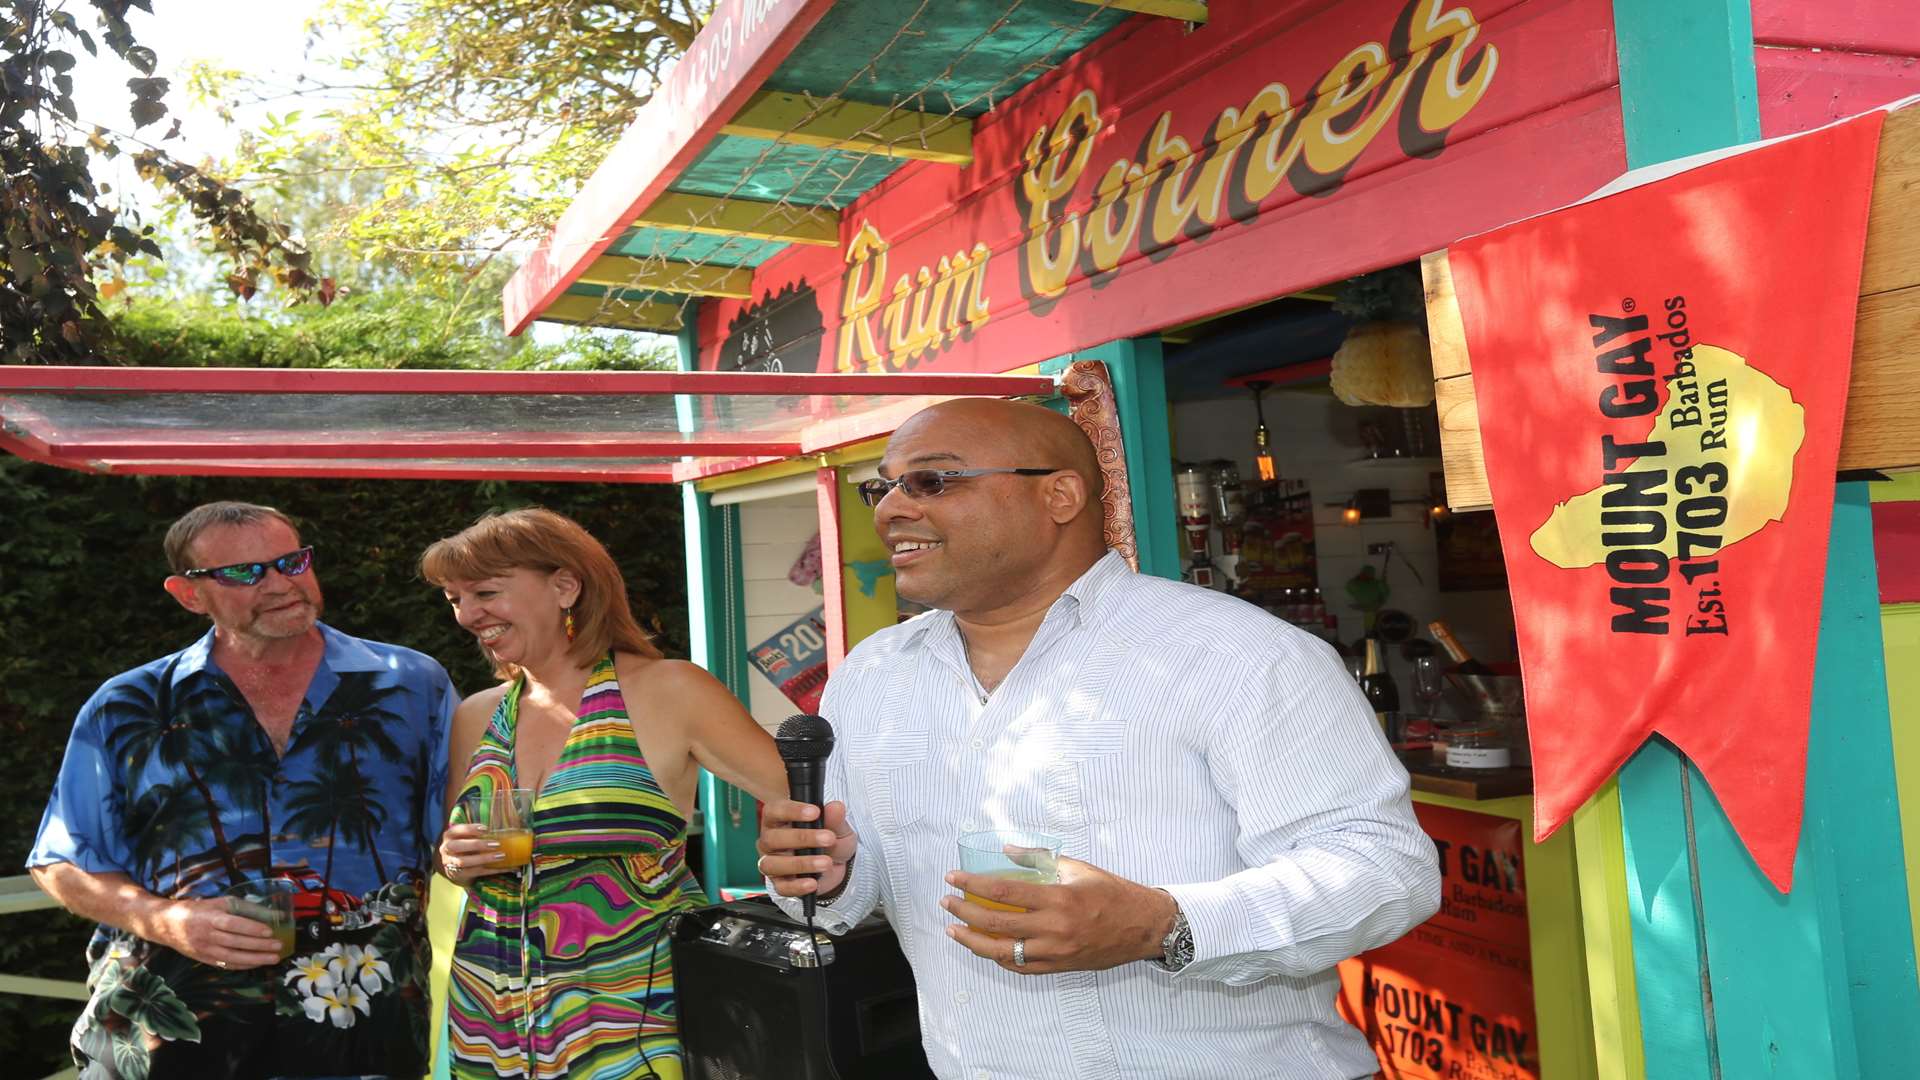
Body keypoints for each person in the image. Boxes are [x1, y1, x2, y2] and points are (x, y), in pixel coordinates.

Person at [757, 399, 1443, 1079]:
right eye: (884, 486)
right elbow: (864, 886)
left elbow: (1386, 872)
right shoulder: (873, 677)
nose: (889, 509)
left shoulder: (1238, 655)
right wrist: (828, 874)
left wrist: (1163, 925)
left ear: (1059, 495)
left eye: (932, 481)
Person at [27, 501, 457, 1079]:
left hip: (360, 1024)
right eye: (243, 572)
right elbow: (62, 860)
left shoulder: (411, 684)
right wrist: (166, 921)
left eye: (291, 561)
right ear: (189, 594)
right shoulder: (128, 705)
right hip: (167, 1025)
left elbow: (457, 829)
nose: (280, 583)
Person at [423, 508, 787, 1080]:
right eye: (453, 598)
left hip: (637, 1015)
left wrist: (787, 858)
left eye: (486, 592)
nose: (468, 615)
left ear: (565, 585)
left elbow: (814, 803)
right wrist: (455, 860)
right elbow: (454, 859)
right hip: (492, 1017)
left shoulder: (668, 689)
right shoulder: (477, 714)